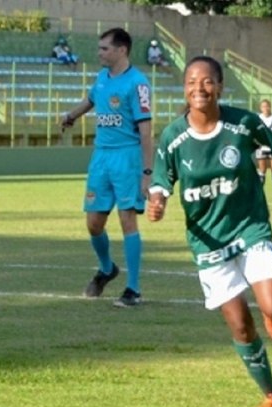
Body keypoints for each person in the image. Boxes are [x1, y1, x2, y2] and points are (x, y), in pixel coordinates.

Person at [147, 56, 272, 407]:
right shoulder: (173, 137)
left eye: (206, 81)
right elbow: (160, 183)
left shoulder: (243, 123)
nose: (198, 88)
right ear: (184, 89)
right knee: (239, 325)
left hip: (250, 229)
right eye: (191, 82)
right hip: (208, 243)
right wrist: (156, 203)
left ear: (219, 87)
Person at [60, 27, 152, 308]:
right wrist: (71, 116)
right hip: (101, 158)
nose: (99, 53)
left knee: (127, 222)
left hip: (127, 158)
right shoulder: (101, 78)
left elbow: (146, 132)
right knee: (94, 224)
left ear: (121, 50)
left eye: (104, 48)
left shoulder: (137, 83)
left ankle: (133, 289)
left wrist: (147, 173)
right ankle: (107, 268)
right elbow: (91, 100)